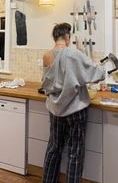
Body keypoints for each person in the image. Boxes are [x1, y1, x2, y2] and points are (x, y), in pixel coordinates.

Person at [41, 23, 105, 183]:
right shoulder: (73, 54)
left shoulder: (47, 55)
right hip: (75, 110)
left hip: (55, 109)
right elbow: (96, 73)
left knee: (54, 148)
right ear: (67, 36)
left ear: (55, 37)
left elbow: (48, 82)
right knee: (75, 152)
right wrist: (102, 70)